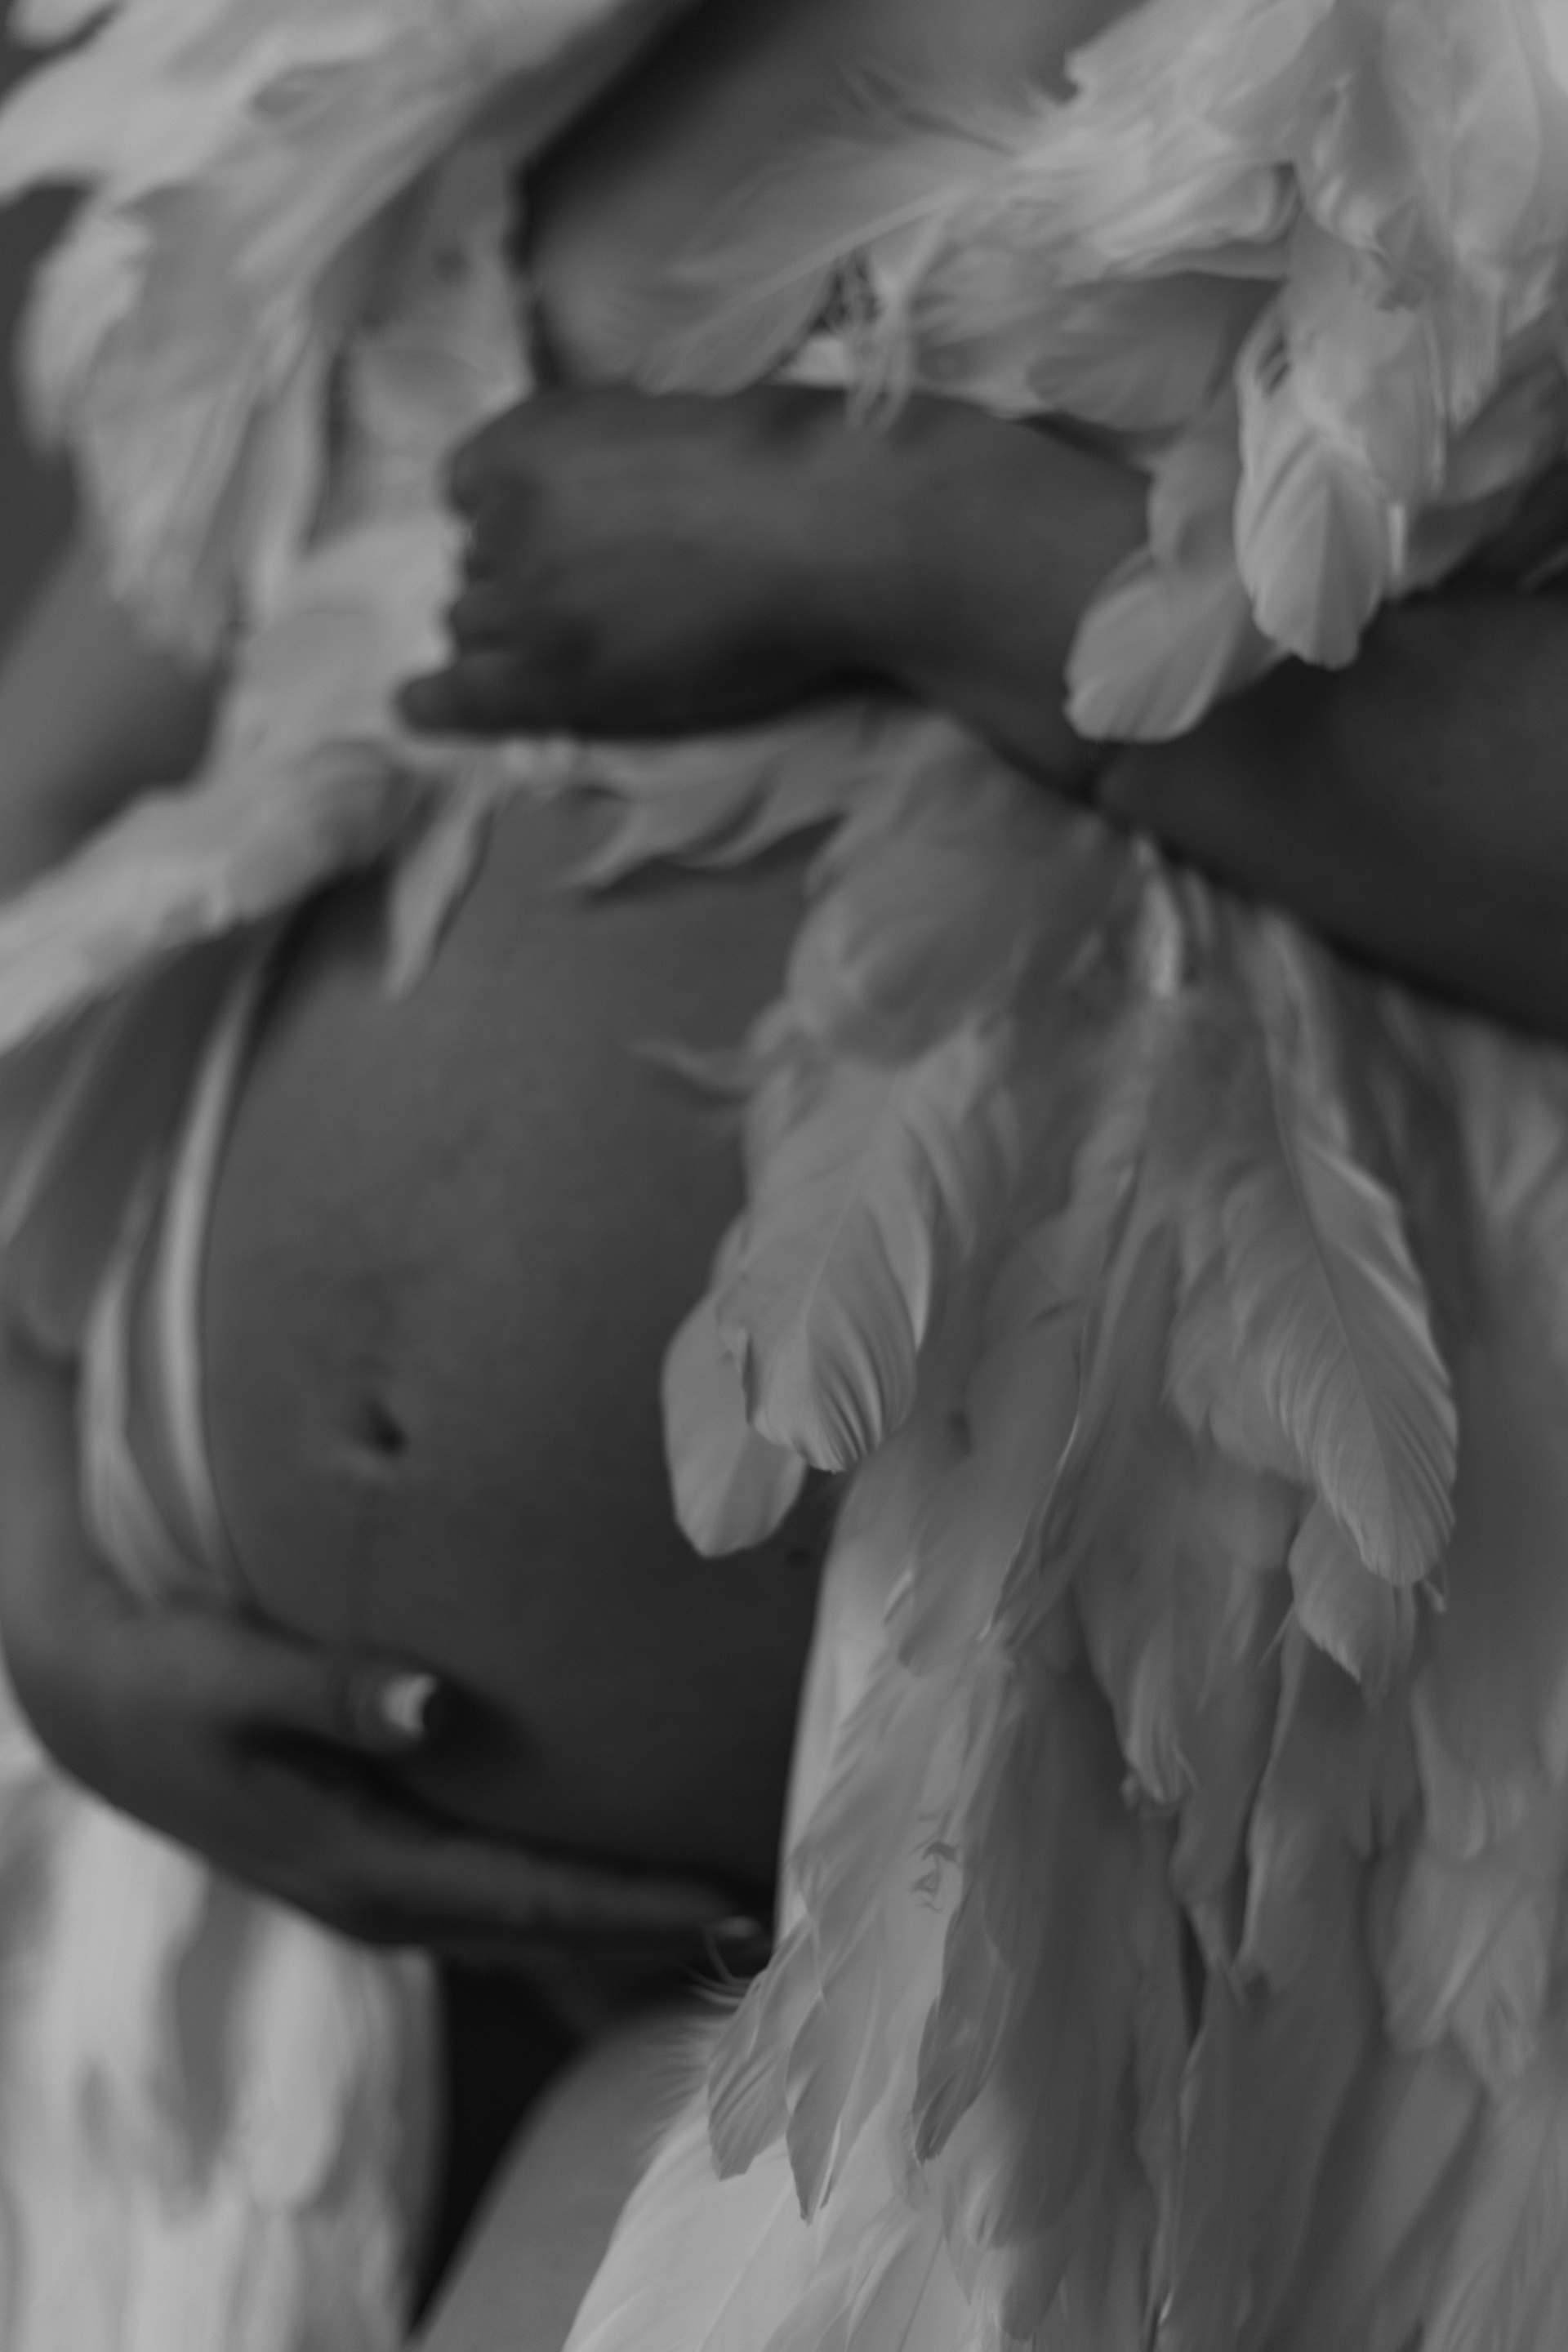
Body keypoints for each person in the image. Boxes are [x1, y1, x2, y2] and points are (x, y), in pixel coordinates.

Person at [2, 1, 1568, 2349]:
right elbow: (36, 817)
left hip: (1044, 1998)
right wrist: (38, 1582)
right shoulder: (476, 41)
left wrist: (901, 542)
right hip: (205, 1959)